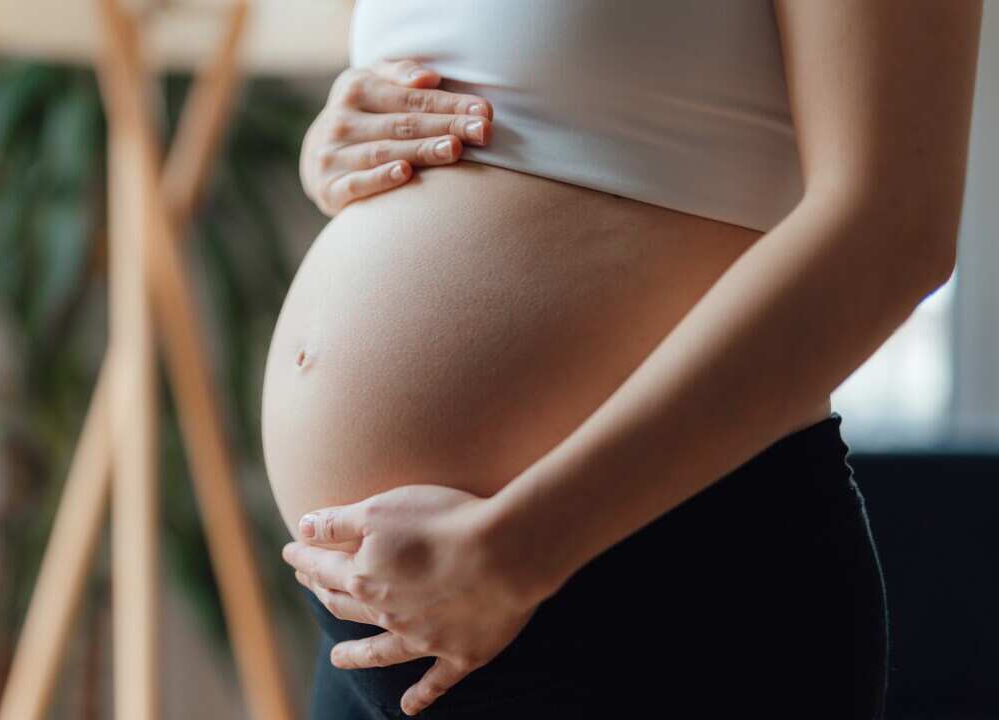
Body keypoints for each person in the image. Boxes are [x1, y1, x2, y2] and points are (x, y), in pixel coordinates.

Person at [262, 1, 984, 717]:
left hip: (646, 595)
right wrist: (335, 143)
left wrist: (519, 550)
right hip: (385, 618)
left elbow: (893, 228)